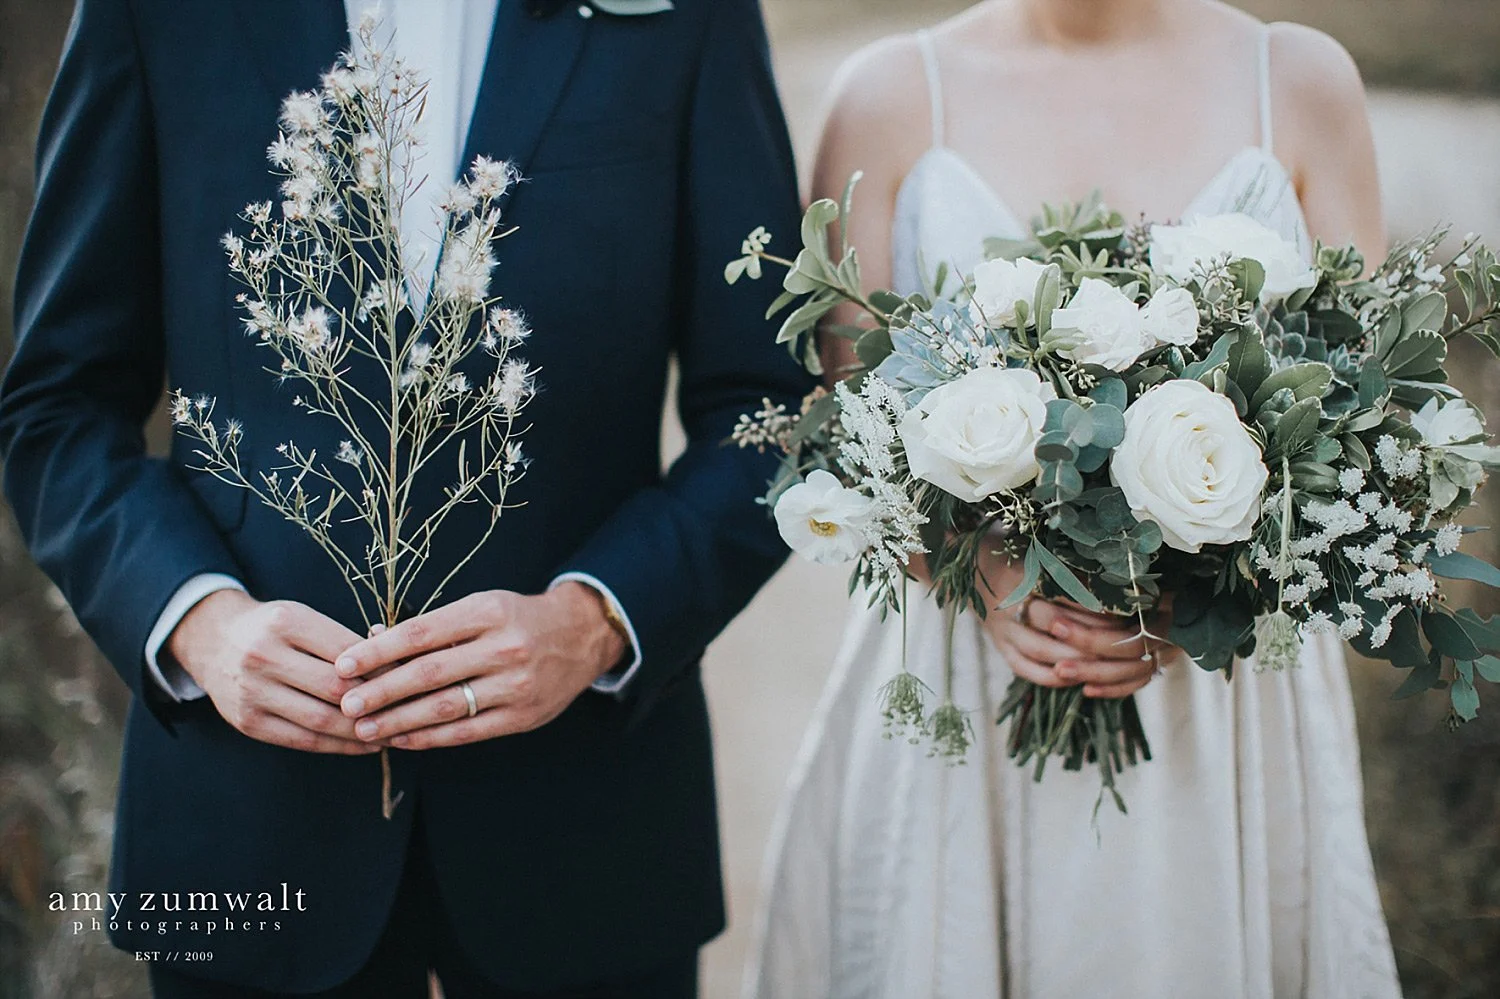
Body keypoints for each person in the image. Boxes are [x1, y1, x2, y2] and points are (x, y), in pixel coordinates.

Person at [0, 0, 809, 996]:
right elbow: (57, 411)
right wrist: (196, 624)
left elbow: (771, 415)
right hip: (253, 833)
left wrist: (599, 619)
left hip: (584, 834)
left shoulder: (689, 16)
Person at [746, 1, 1401, 996]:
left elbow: (1364, 423)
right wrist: (986, 577)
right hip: (972, 672)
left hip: (1226, 703)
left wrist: (1212, 587)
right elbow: (847, 427)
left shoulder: (1300, 81)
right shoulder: (884, 96)